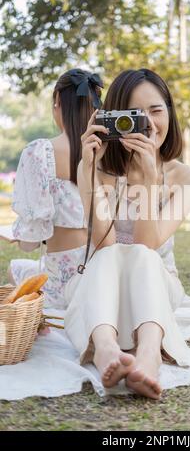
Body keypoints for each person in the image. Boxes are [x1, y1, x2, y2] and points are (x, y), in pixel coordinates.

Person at [63, 68, 190, 399]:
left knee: (141, 254)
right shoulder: (95, 169)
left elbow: (146, 245)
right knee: (110, 254)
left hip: (154, 286)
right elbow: (104, 244)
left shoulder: (186, 178)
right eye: (132, 115)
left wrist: (148, 181)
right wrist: (89, 170)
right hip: (103, 287)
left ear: (169, 112)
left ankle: (149, 352)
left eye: (156, 110)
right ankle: (107, 350)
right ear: (111, 119)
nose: (147, 124)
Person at [7, 68, 103, 309]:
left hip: (63, 282)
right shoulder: (108, 152)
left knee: (15, 268)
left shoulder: (40, 152)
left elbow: (30, 243)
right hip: (105, 274)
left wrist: (17, 237)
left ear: (58, 102)